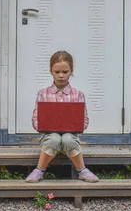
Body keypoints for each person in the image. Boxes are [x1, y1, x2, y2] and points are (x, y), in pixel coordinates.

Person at [26, 51, 99, 183]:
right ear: (51, 71)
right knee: (54, 138)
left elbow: (85, 120)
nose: (61, 76)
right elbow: (35, 119)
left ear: (71, 71)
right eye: (57, 72)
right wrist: (41, 125)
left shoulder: (78, 95)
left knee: (67, 139)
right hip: (49, 136)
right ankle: (39, 170)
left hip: (70, 136)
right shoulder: (43, 94)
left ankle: (82, 170)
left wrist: (77, 125)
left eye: (65, 72)